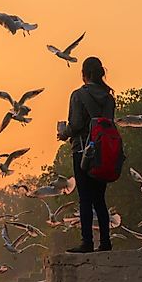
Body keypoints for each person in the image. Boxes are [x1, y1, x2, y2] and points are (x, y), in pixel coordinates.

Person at [56, 56, 115, 253]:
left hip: (83, 150)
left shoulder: (78, 95)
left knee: (85, 198)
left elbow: (76, 124)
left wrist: (63, 134)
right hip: (105, 152)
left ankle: (87, 242)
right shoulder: (108, 98)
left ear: (84, 74)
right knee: (100, 198)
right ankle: (105, 242)